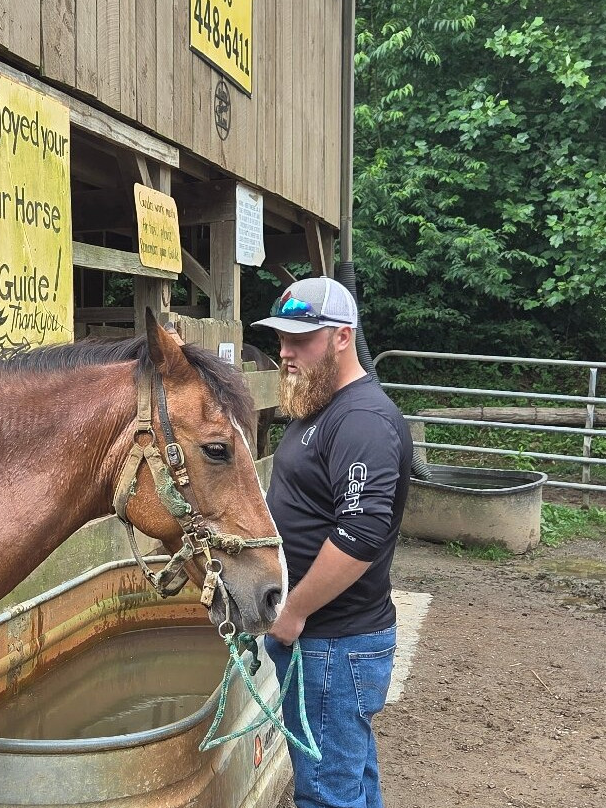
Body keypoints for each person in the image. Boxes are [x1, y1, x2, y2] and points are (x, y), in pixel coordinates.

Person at [252, 276, 413, 808]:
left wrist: (293, 612)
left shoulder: (361, 418)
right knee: (351, 779)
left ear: (342, 337)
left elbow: (360, 534)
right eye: (281, 339)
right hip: (329, 643)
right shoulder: (321, 407)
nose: (286, 352)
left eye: (300, 340)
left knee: (325, 794)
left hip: (331, 644)